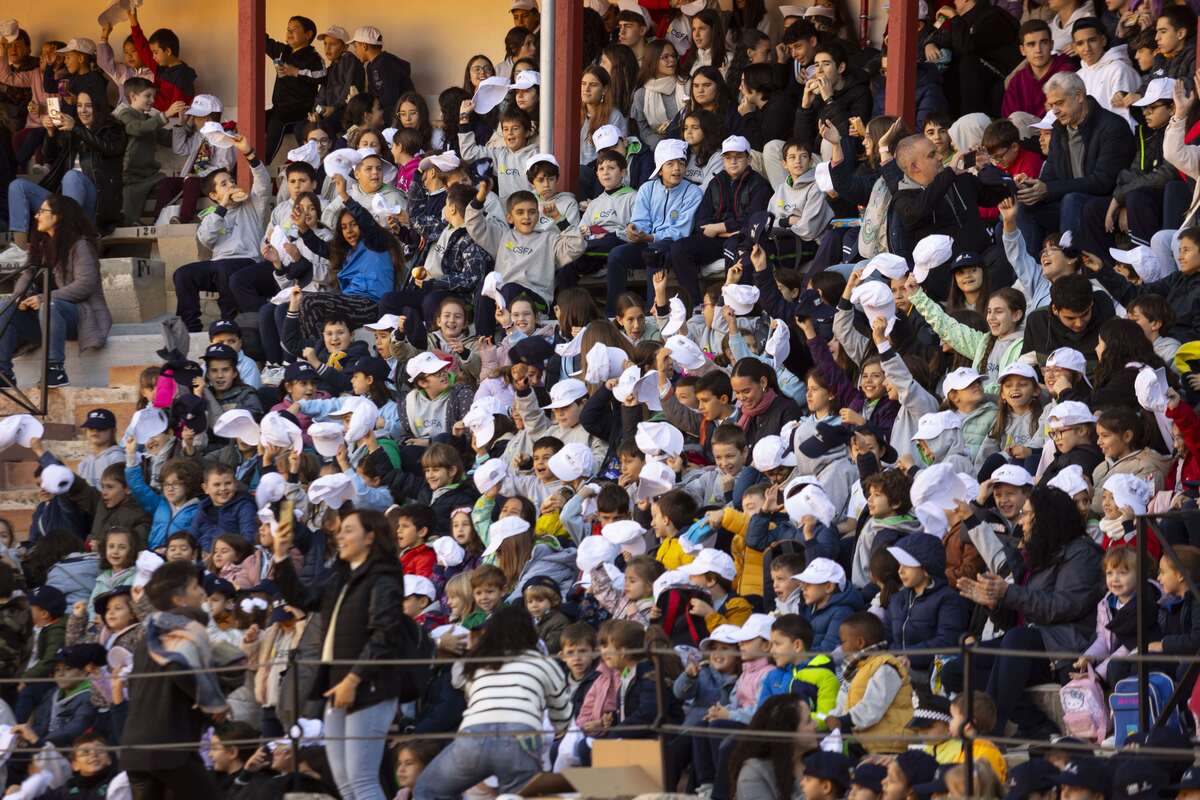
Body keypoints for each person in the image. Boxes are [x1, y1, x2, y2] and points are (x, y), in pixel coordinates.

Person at [272, 508, 412, 800]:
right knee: (344, 783)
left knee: (361, 781)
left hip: (368, 685)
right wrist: (281, 557)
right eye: (341, 530)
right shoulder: (341, 577)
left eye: (349, 530)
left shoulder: (384, 577)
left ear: (370, 537)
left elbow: (383, 635)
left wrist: (353, 679)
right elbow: (304, 599)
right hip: (336, 685)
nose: (341, 536)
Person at [413, 604, 570, 799]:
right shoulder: (543, 663)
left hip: (473, 737)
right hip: (520, 739)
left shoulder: (481, 662)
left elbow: (462, 685)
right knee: (520, 796)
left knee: (427, 790)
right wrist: (559, 726)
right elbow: (562, 713)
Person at [120, 560, 223, 798]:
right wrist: (213, 705)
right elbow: (181, 669)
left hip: (135, 747)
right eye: (196, 587)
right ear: (180, 599)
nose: (203, 594)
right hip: (168, 746)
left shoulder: (149, 633)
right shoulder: (183, 627)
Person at [1014, 71, 1135, 260]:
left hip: (1108, 202)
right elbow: (1050, 178)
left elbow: (1104, 181)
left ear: (1079, 96)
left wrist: (1049, 188)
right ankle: (1037, 269)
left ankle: (1071, 263)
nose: (1054, 110)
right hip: (1071, 203)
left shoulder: (1112, 127)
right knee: (1026, 207)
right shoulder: (1060, 131)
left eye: (1059, 103)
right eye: (1052, 105)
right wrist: (1033, 187)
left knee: (1072, 199)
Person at [0, 195, 111, 388]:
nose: (36, 216)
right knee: (6, 307)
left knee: (50, 305)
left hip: (79, 316)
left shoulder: (80, 245)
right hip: (46, 317)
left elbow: (85, 284)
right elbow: (25, 278)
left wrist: (43, 298)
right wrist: (20, 300)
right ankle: (3, 373)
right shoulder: (40, 247)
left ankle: (55, 370)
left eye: (42, 211)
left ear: (59, 216)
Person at [1002, 20, 1075, 118]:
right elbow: (1008, 119)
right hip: (1024, 129)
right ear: (1023, 50)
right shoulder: (1017, 81)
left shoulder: (1065, 71)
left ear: (1051, 45)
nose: (1038, 50)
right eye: (1031, 44)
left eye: (1043, 42)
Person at [347, 26, 414, 121]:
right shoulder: (371, 66)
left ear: (364, 46)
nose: (355, 50)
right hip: (384, 111)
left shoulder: (386, 63)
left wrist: (371, 108)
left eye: (356, 46)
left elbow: (391, 97)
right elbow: (373, 96)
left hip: (399, 114)